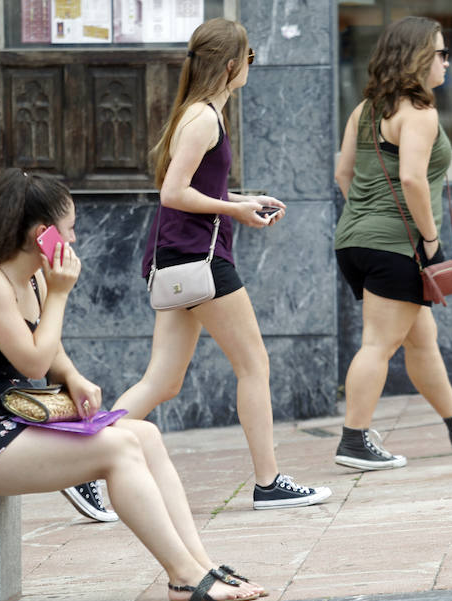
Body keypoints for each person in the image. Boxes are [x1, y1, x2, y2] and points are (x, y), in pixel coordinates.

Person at [0, 168, 266, 601]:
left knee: (143, 434)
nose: (73, 238)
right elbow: (31, 360)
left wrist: (72, 376)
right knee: (118, 450)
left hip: (12, 417)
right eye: (68, 229)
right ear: (39, 233)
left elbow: (47, 352)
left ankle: (199, 564)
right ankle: (183, 577)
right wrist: (62, 295)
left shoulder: (34, 274)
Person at [104, 17, 331, 511]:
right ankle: (268, 482)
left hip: (181, 255)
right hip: (197, 259)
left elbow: (195, 187)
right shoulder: (203, 117)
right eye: (248, 58)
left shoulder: (201, 113)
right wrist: (234, 209)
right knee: (254, 365)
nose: (251, 66)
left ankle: (82, 464)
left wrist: (243, 201)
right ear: (231, 65)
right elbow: (172, 192)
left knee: (163, 381)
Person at [332, 16, 452, 471]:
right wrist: (429, 241)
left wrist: (369, 222)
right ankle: (354, 439)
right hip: (396, 245)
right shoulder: (420, 113)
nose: (448, 63)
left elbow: (342, 174)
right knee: (377, 344)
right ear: (418, 59)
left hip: (353, 240)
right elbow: (411, 178)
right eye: (442, 54)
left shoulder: (365, 109)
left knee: (421, 338)